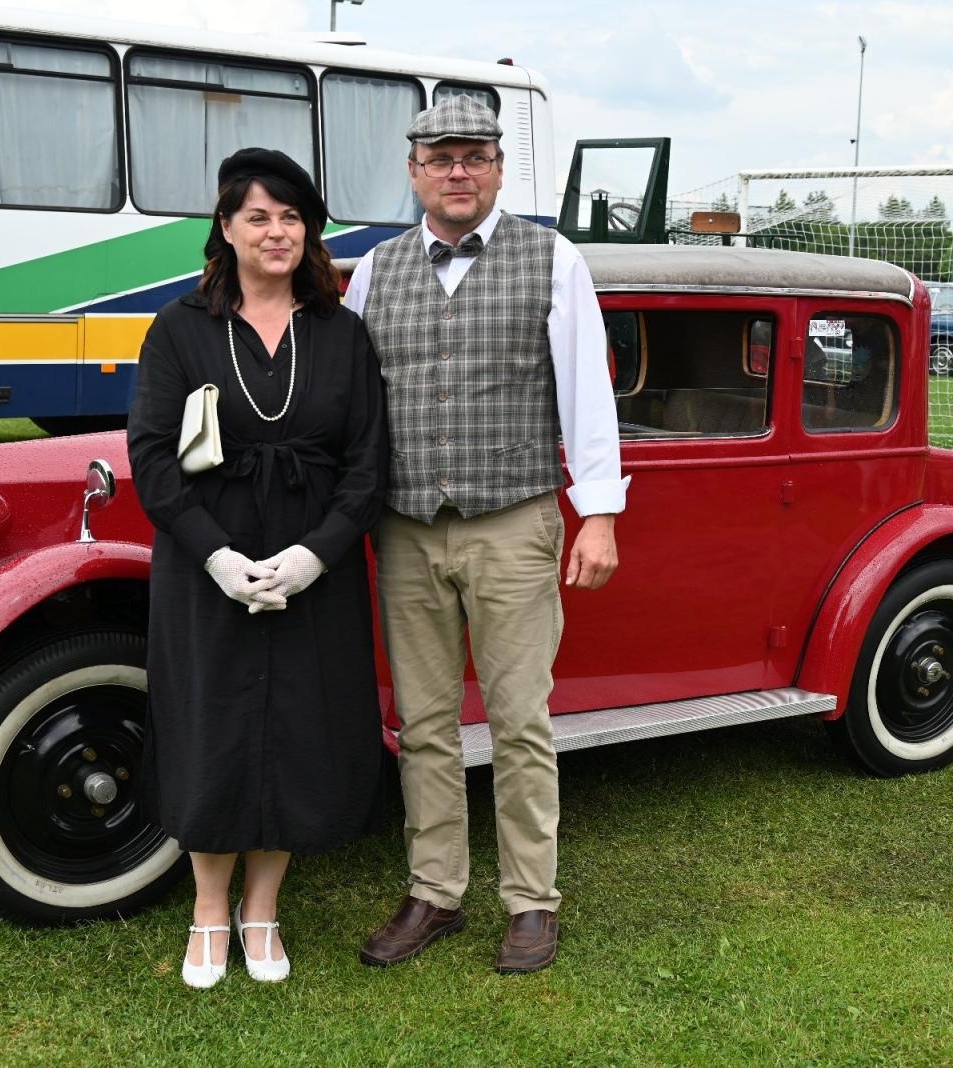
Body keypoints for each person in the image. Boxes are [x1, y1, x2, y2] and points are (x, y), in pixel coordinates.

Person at [343, 95, 627, 976]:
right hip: (406, 528)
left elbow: (587, 391)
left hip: (514, 522)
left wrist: (601, 512)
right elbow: (351, 405)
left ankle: (530, 901)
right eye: (439, 157)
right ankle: (435, 891)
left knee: (518, 721)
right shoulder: (373, 271)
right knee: (423, 722)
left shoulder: (551, 259)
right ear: (414, 171)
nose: (457, 171)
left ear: (499, 167)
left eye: (473, 155)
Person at [125, 148, 389, 988]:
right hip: (212, 562)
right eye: (258, 217)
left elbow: (369, 462)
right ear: (227, 230)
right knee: (213, 722)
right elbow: (152, 456)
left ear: (307, 229)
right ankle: (209, 908)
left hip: (314, 560)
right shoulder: (180, 329)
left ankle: (262, 906)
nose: (276, 232)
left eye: (291, 217)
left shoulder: (341, 332)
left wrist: (317, 556)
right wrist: (216, 556)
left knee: (297, 728)